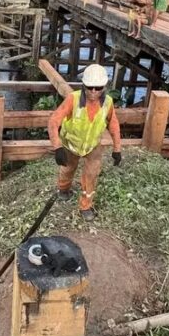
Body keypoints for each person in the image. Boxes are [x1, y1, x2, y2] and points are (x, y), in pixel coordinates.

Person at [48, 64, 122, 221]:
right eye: (90, 88)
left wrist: (117, 148)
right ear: (84, 86)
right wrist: (57, 147)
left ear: (104, 87)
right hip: (70, 144)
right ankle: (63, 189)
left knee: (91, 175)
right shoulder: (72, 99)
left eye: (98, 88)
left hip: (92, 146)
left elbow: (113, 124)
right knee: (67, 169)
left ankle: (85, 206)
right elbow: (54, 121)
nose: (94, 92)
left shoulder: (107, 103)